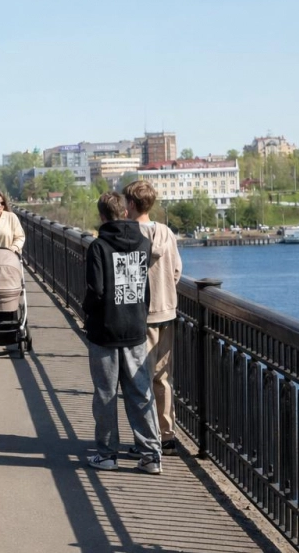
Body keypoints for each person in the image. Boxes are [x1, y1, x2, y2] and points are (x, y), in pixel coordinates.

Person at [83, 192, 162, 474]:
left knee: (105, 394)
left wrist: (88, 314)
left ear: (102, 216)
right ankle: (151, 454)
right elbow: (145, 287)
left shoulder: (98, 247)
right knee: (140, 392)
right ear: (125, 213)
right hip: (135, 327)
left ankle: (106, 454)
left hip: (105, 329)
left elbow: (96, 291)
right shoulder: (143, 242)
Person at [123, 180, 183, 457]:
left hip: (140, 316)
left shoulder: (130, 235)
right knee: (162, 376)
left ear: (132, 204)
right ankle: (167, 434)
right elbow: (177, 271)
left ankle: (147, 439)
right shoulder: (166, 232)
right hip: (167, 311)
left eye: (126, 202)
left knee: (140, 378)